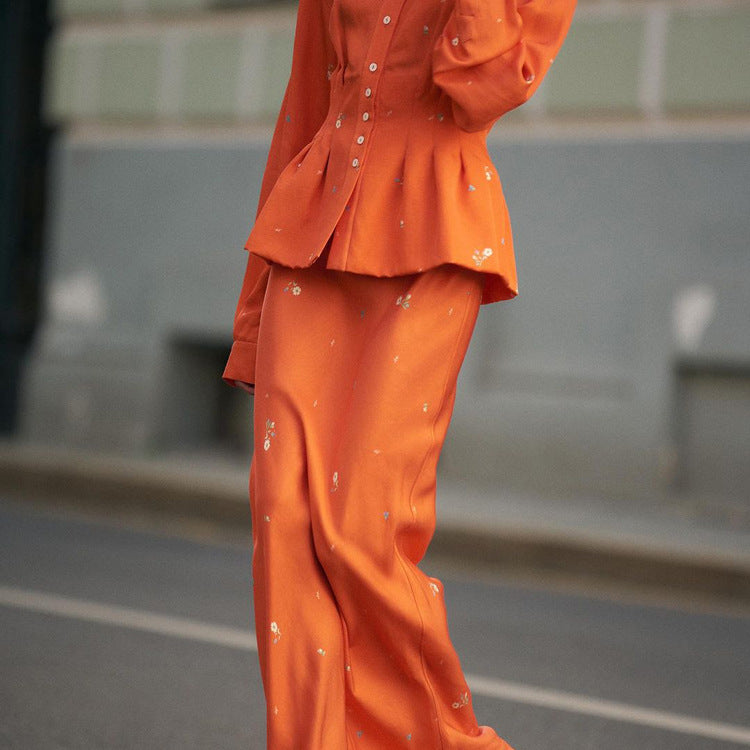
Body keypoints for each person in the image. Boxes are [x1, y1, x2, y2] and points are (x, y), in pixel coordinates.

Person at [222, 0, 576, 746]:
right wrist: (252, 322)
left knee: (359, 529)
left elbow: (484, 84)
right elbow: (304, 110)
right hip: (308, 240)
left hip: (434, 236)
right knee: (284, 524)